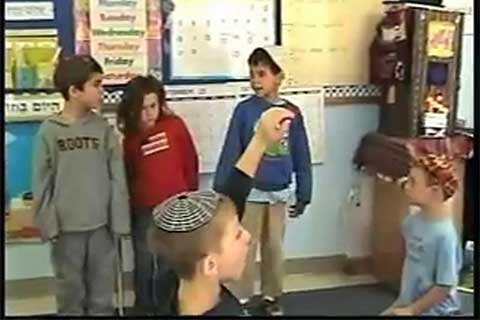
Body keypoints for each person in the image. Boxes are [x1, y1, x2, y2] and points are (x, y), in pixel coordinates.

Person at [148, 107, 295, 315]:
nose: (247, 236)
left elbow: (231, 196)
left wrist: (261, 139)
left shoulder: (172, 279)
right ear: (210, 265)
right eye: (237, 235)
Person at [213, 47, 312, 315]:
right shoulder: (244, 111)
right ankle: (241, 298)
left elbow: (302, 153)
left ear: (278, 76)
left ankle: (271, 296)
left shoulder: (292, 113)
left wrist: (305, 191)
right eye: (251, 74)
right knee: (244, 246)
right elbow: (231, 150)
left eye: (262, 74)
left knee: (274, 248)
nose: (255, 80)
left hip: (280, 193)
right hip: (251, 193)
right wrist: (223, 191)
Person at [32, 55, 130, 316]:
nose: (102, 91)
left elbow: (117, 176)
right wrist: (48, 225)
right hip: (66, 231)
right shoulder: (49, 131)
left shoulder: (102, 129)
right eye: (96, 84)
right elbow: (42, 183)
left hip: (101, 229)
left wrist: (120, 222)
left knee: (101, 297)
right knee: (70, 295)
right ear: (75, 91)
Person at [116, 75, 199, 315]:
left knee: (169, 262)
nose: (148, 114)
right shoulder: (130, 140)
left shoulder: (175, 126)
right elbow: (129, 175)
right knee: (144, 261)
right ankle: (144, 307)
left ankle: (168, 307)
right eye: (141, 109)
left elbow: (190, 160)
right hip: (143, 208)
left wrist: (189, 195)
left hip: (175, 204)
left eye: (152, 106)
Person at [382, 154, 463, 316]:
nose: (406, 185)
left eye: (413, 182)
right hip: (410, 303)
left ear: (434, 192)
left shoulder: (445, 236)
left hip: (438, 311)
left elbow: (444, 286)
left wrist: (412, 310)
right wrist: (403, 304)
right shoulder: (412, 222)